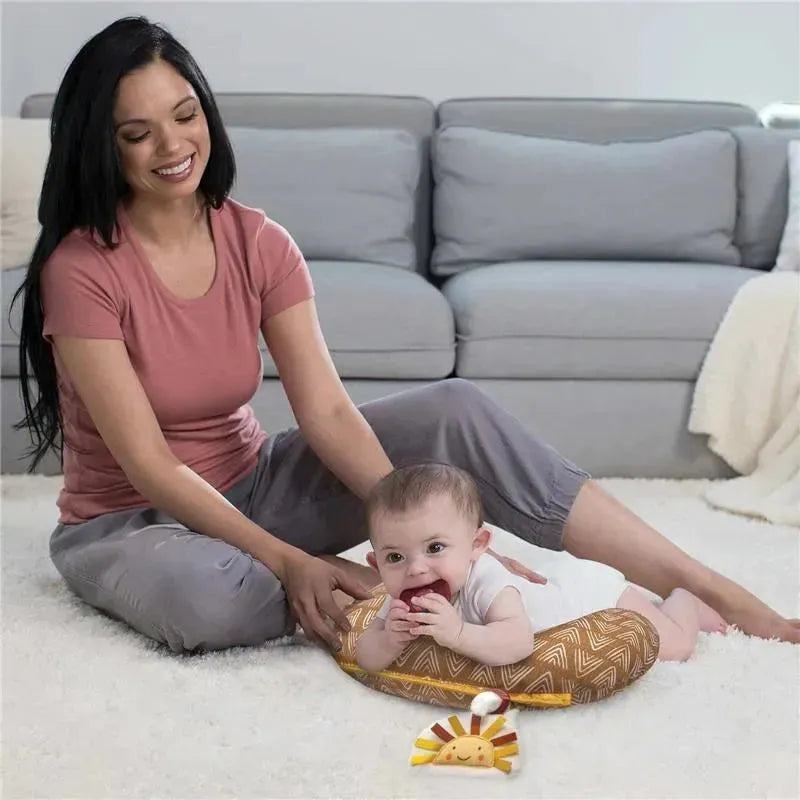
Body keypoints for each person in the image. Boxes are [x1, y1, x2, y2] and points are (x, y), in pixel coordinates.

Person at [11, 17, 799, 657]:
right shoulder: (82, 268)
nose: (173, 146)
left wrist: (411, 535)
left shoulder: (257, 240)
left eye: (185, 116)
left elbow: (323, 415)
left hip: (257, 483)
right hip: (137, 525)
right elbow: (148, 466)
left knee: (455, 410)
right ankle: (348, 583)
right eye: (136, 133)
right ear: (100, 145)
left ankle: (713, 589)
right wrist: (292, 562)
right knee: (213, 600)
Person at [356, 464, 730, 671]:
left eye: (435, 548)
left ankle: (685, 601)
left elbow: (517, 641)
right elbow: (365, 657)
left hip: (591, 598)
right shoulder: (402, 601)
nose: (417, 570)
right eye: (395, 558)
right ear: (375, 564)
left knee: (675, 646)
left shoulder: (487, 581)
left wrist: (456, 634)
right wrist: (389, 638)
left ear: (477, 547)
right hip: (553, 582)